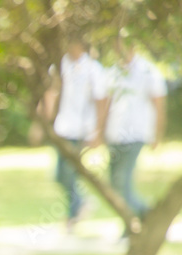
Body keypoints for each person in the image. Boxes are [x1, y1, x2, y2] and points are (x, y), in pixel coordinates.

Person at [44, 34, 109, 232]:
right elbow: (52, 93)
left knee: (69, 172)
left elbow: (101, 100)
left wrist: (98, 131)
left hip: (82, 129)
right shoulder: (60, 66)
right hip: (63, 127)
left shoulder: (93, 69)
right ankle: (81, 202)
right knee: (59, 175)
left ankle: (73, 214)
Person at [102, 32, 167, 226]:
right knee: (114, 185)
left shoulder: (149, 72)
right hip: (114, 135)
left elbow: (159, 106)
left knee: (123, 181)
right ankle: (133, 220)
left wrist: (158, 134)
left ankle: (144, 214)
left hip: (136, 134)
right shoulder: (112, 72)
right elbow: (107, 104)